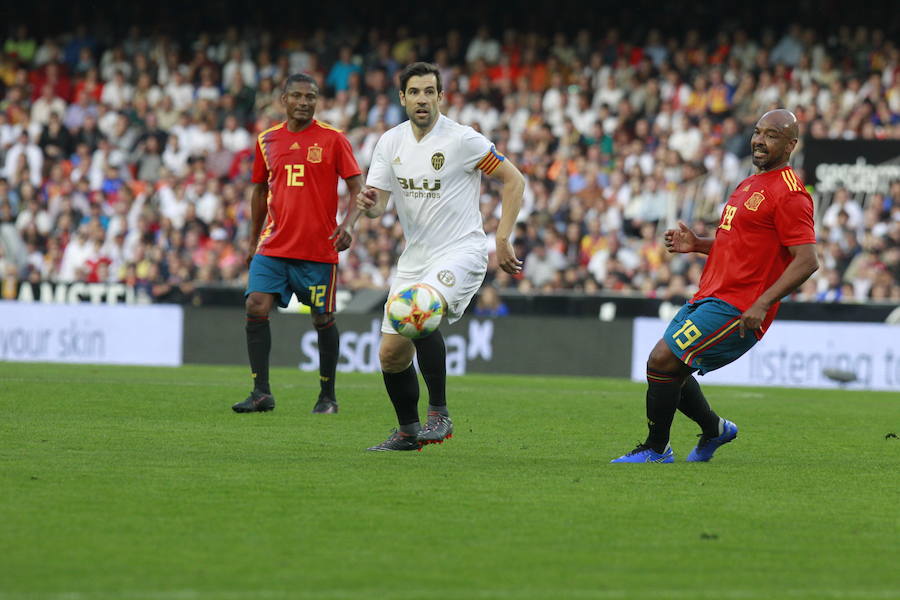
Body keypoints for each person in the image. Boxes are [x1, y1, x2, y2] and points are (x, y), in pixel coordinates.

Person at [611, 109, 819, 463]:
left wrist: (762, 303)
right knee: (671, 366)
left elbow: (807, 260)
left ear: (790, 145)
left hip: (740, 307)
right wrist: (698, 244)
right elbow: (739, 244)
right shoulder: (749, 184)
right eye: (757, 132)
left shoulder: (791, 194)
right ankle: (715, 429)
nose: (759, 140)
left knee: (662, 360)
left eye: (771, 135)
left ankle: (657, 448)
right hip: (711, 295)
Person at [356, 62, 524, 451]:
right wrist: (367, 205)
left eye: (429, 92)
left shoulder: (463, 140)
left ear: (440, 97)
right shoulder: (390, 143)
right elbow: (378, 205)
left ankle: (439, 413)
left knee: (421, 309)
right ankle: (408, 431)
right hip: (415, 259)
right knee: (391, 355)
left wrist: (502, 237)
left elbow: (514, 179)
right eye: (414, 92)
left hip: (462, 251)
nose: (422, 99)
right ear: (402, 98)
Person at [232, 73, 363, 415]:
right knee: (255, 305)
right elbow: (260, 191)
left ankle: (327, 397)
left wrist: (348, 225)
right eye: (298, 96)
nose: (304, 102)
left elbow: (356, 188)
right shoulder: (267, 141)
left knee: (322, 319)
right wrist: (252, 240)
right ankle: (261, 392)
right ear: (284, 100)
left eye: (311, 96)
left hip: (318, 250)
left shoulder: (334, 139)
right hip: (272, 245)